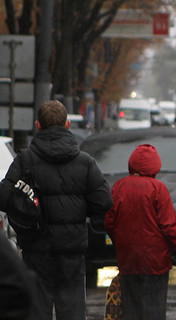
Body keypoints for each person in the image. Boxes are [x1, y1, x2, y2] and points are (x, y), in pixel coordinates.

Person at [0, 100, 113, 320]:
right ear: (67, 125)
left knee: (38, 307)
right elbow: (104, 201)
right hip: (72, 250)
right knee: (71, 307)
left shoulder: (25, 161)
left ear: (38, 125)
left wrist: (25, 211)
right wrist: (79, 210)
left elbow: (4, 197)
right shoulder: (85, 162)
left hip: (35, 250)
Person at [104, 144, 176, 320]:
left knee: (131, 308)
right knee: (154, 308)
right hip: (155, 261)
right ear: (156, 166)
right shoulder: (157, 188)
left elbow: (109, 222)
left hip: (128, 260)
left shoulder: (119, 187)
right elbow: (170, 226)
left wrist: (122, 243)